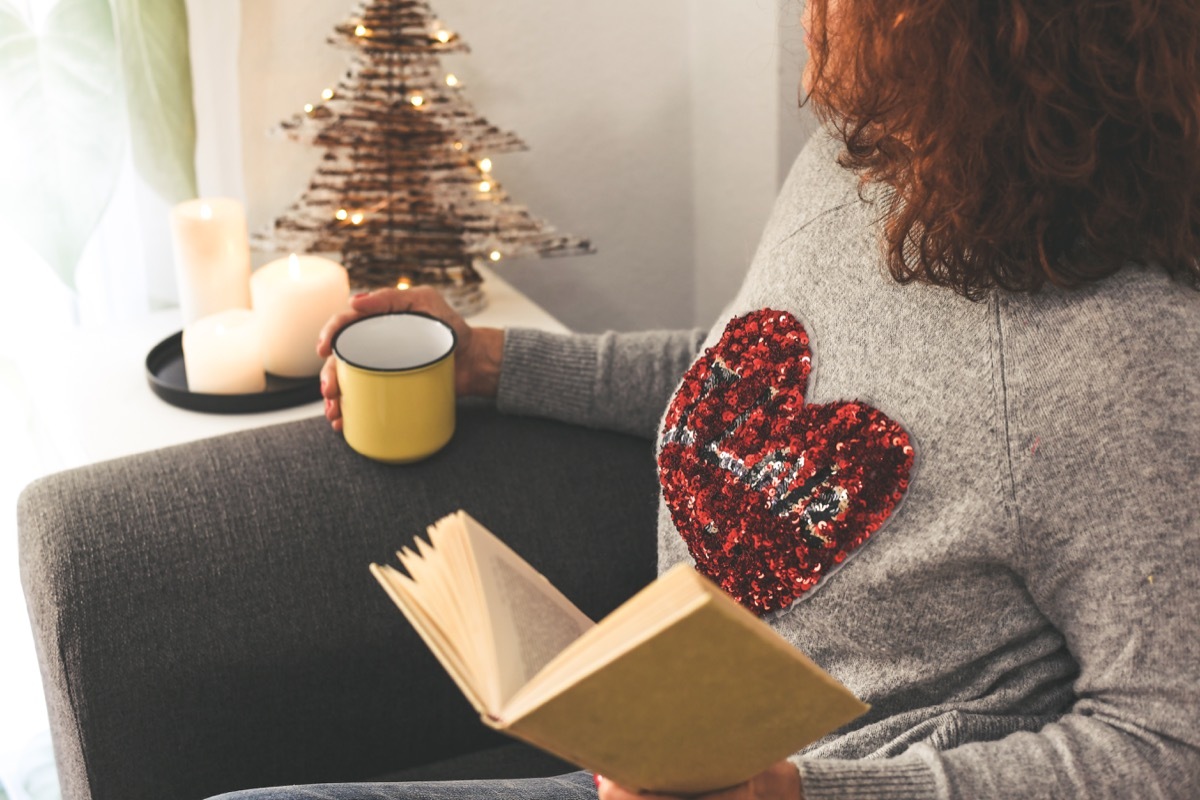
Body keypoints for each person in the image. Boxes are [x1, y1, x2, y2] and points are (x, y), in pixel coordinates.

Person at [214, 0, 1200, 797]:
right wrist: (494, 364)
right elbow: (754, 371)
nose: (805, 37)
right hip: (655, 751)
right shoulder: (864, 162)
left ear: (972, 37)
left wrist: (801, 794)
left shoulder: (1125, 364)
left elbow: (1168, 742)